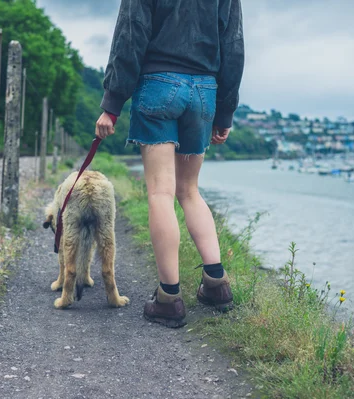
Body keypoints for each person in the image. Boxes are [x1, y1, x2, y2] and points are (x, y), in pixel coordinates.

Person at [95, 0, 245, 328]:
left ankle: (168, 298)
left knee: (161, 193)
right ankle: (216, 285)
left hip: (159, 85)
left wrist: (112, 102)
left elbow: (130, 34)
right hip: (204, 90)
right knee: (189, 191)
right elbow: (233, 44)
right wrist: (225, 111)